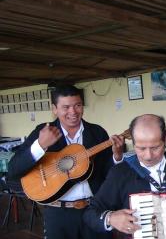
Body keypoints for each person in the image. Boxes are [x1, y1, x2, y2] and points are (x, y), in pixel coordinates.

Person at [8, 84, 125, 239]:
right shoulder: (43, 131)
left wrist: (116, 157)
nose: (73, 112)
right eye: (66, 107)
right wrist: (41, 145)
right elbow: (14, 169)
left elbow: (107, 172)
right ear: (54, 109)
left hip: (95, 210)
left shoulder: (97, 132)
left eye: (77, 105)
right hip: (58, 213)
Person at [83, 114, 166, 238]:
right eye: (141, 148)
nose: (148, 156)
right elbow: (90, 213)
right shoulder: (120, 173)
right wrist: (110, 218)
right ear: (133, 143)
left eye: (155, 147)